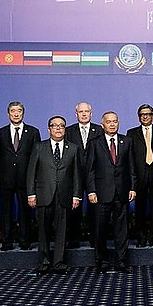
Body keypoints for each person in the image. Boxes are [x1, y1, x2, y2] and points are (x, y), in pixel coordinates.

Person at [26, 116, 81, 274]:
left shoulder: (73, 148)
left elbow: (77, 174)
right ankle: (44, 262)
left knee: (61, 231)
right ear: (49, 129)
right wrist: (31, 194)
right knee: (43, 231)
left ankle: (58, 263)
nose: (58, 128)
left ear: (65, 129)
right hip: (43, 195)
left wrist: (76, 195)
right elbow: (31, 172)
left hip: (64, 196)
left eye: (61, 126)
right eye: (54, 125)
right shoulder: (39, 147)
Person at [86, 111, 136, 273]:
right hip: (101, 193)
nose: (112, 124)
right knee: (100, 230)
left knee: (122, 230)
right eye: (109, 122)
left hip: (122, 192)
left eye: (115, 121)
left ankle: (121, 261)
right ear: (102, 125)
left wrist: (133, 187)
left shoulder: (126, 141)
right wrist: (91, 191)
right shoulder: (94, 143)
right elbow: (90, 170)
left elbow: (132, 167)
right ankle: (101, 261)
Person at [0, 101, 41, 251]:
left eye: (19, 110)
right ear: (8, 114)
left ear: (23, 113)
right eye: (13, 111)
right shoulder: (0, 133)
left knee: (25, 212)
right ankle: (6, 242)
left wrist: (35, 179)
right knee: (6, 212)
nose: (16, 113)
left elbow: (37, 157)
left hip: (26, 179)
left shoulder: (33, 132)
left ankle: (25, 241)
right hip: (5, 179)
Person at [126, 104, 153, 248]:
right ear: (138, 117)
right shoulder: (132, 133)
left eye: (148, 114)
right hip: (139, 174)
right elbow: (129, 157)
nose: (145, 116)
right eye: (142, 114)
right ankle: (141, 237)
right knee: (140, 207)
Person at [65, 102, 103, 248]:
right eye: (81, 112)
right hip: (75, 175)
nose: (84, 114)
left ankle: (95, 239)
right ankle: (74, 239)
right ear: (76, 114)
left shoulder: (99, 130)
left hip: (95, 175)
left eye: (87, 111)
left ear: (91, 114)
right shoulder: (69, 131)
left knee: (96, 209)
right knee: (74, 209)